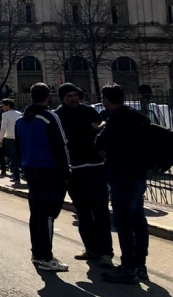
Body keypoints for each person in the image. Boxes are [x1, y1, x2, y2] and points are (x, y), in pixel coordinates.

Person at [96, 84, 151, 285]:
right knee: (139, 221)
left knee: (124, 224)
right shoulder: (139, 117)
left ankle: (128, 269)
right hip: (139, 175)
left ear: (107, 100)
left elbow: (99, 145)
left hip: (121, 176)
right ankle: (141, 265)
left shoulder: (114, 120)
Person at [54, 83, 113, 268]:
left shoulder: (88, 111)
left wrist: (99, 129)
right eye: (69, 96)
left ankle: (105, 252)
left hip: (95, 168)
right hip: (74, 170)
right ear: (62, 98)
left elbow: (103, 129)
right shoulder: (58, 115)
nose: (73, 99)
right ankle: (90, 248)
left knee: (101, 212)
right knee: (83, 213)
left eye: (75, 95)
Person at [15, 83, 71, 272]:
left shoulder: (21, 121)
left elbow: (18, 147)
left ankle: (37, 252)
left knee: (36, 213)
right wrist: (66, 173)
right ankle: (46, 256)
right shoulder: (49, 117)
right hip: (50, 170)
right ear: (48, 97)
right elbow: (61, 146)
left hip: (30, 169)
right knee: (47, 214)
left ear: (31, 97)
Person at [0, 99, 22, 185]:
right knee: (19, 157)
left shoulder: (5, 115)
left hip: (9, 139)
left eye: (3, 106)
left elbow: (3, 128)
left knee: (13, 158)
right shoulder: (20, 114)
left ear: (8, 105)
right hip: (19, 139)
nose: (2, 108)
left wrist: (0, 139)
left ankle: (16, 177)